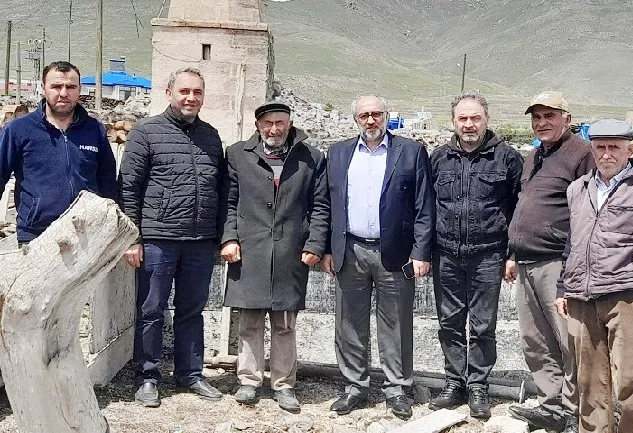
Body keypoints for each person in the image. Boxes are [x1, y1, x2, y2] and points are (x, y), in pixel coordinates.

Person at [555, 119, 633, 433]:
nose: (607, 154)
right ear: (592, 149)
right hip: (583, 299)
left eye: (615, 147)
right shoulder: (578, 189)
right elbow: (572, 243)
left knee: (631, 382)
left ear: (630, 149)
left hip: (629, 298)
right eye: (601, 147)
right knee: (589, 384)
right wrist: (562, 287)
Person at [321, 95, 434, 418]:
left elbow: (424, 207)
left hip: (396, 253)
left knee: (396, 323)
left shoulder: (410, 152)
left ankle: (398, 388)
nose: (371, 121)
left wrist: (421, 251)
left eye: (376, 114)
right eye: (364, 115)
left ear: (386, 116)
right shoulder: (339, 153)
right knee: (349, 322)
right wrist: (328, 248)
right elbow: (328, 203)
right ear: (355, 119)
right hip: (350, 249)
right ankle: (354, 387)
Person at [118, 67, 224, 407]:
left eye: (197, 92)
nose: (191, 98)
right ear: (169, 93)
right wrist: (132, 239)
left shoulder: (211, 135)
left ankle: (190, 374)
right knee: (151, 310)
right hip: (158, 238)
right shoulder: (146, 132)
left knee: (192, 310)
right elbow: (129, 188)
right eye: (184, 91)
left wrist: (220, 237)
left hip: (200, 241)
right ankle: (147, 377)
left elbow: (219, 189)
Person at [220, 101, 329, 413]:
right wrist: (228, 237)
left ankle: (283, 384)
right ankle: (249, 380)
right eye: (268, 123)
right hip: (249, 249)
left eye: (280, 123)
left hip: (290, 251)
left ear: (289, 123)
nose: (274, 129)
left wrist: (315, 244)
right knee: (250, 321)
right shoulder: (238, 154)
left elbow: (320, 206)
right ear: (258, 125)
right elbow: (229, 201)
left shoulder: (311, 158)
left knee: (284, 323)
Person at [428, 92, 523, 418]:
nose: (469, 124)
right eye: (463, 118)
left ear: (486, 118)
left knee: (483, 325)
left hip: (488, 256)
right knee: (450, 323)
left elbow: (517, 210)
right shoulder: (439, 159)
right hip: (446, 255)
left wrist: (511, 254)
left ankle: (479, 386)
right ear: (453, 121)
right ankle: (455, 383)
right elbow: (427, 208)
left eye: (475, 118)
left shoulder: (507, 159)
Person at [505, 91, 594, 433]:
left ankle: (576, 412)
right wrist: (513, 254)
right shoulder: (533, 157)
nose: (542, 123)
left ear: (567, 119)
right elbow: (525, 206)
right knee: (535, 340)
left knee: (568, 340)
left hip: (558, 264)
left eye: (549, 116)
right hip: (526, 262)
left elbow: (588, 213)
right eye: (536, 117)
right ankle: (551, 405)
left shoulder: (581, 154)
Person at [0, 61, 116, 244]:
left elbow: (108, 183)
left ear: (79, 90)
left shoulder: (95, 131)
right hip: (36, 236)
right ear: (43, 89)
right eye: (56, 86)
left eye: (70, 87)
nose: (63, 93)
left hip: (87, 236)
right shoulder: (18, 130)